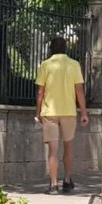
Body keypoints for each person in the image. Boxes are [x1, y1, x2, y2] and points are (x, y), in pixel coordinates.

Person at [36, 36, 89, 195]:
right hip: (68, 111)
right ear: (66, 48)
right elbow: (79, 90)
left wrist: (38, 112)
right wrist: (84, 112)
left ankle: (53, 185)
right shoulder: (74, 65)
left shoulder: (45, 65)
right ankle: (66, 180)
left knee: (53, 150)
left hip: (50, 112)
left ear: (51, 48)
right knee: (68, 147)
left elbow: (40, 91)